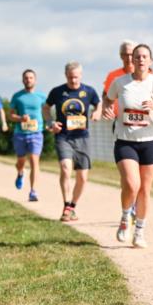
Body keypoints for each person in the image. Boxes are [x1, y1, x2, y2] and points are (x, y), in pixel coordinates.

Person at [102, 44, 153, 247]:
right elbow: (107, 99)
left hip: (150, 141)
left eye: (145, 57)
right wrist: (107, 110)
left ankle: (140, 232)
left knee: (144, 189)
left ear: (151, 61)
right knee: (131, 184)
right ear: (131, 61)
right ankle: (126, 216)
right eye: (137, 57)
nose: (141, 60)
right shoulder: (120, 83)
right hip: (126, 141)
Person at [45, 62, 102, 222]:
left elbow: (99, 104)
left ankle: (72, 207)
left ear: (81, 75)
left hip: (82, 137)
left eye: (76, 77)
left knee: (82, 177)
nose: (73, 80)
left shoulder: (88, 91)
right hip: (63, 136)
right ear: (66, 76)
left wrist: (97, 112)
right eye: (70, 77)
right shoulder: (57, 91)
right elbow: (46, 108)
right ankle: (66, 204)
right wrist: (51, 123)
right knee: (65, 168)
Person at [9, 70, 48, 202]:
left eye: (31, 78)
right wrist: (20, 118)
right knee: (20, 162)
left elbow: (47, 112)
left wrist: (49, 123)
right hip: (20, 133)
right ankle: (20, 173)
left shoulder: (42, 96)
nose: (28, 80)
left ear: (35, 80)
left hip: (36, 133)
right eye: (26, 78)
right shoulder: (17, 96)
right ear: (22, 80)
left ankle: (33, 191)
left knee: (34, 161)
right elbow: (11, 115)